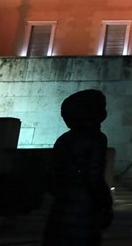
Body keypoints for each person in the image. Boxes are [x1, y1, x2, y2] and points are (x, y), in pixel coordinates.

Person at [42, 89, 113, 246]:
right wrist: (106, 203)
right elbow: (94, 177)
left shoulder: (63, 140)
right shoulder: (96, 139)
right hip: (84, 212)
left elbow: (50, 176)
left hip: (60, 209)